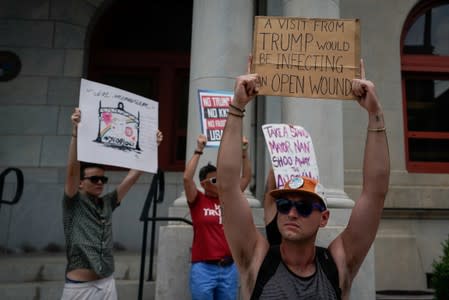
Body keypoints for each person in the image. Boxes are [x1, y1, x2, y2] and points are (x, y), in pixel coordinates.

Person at [217, 60, 390, 300]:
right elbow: (227, 187)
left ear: (324, 217)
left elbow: (375, 192)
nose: (292, 213)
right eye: (284, 205)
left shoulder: (338, 265)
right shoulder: (256, 260)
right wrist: (236, 107)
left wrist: (375, 114)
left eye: (305, 207)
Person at [61, 107, 163, 300]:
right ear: (81, 183)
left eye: (103, 179)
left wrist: (151, 147)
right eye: (94, 179)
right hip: (80, 288)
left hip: (107, 282)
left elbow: (131, 178)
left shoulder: (107, 202)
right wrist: (75, 134)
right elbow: (72, 171)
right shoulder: (73, 202)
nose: (100, 182)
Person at [184, 133, 251, 300]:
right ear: (203, 184)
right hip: (203, 268)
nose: (219, 183)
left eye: (220, 179)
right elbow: (186, 178)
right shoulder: (198, 200)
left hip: (229, 268)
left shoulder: (229, 198)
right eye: (214, 181)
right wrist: (199, 150)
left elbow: (246, 178)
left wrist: (244, 151)